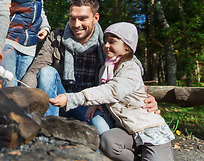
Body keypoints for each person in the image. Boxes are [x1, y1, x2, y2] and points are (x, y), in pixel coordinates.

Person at [21, 0, 159, 135]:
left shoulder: (107, 43)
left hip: (90, 104)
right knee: (46, 72)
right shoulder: (56, 38)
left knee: (103, 134)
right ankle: (48, 128)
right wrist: (21, 96)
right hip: (57, 100)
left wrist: (146, 97)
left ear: (96, 18)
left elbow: (130, 66)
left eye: (83, 18)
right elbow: (35, 69)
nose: (76, 24)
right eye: (72, 18)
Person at [50, 22, 175, 161]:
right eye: (105, 42)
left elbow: (113, 90)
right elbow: (104, 93)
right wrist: (96, 104)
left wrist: (72, 98)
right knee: (108, 141)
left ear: (127, 48)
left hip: (148, 129)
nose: (106, 46)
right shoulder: (105, 69)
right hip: (127, 130)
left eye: (112, 42)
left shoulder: (131, 68)